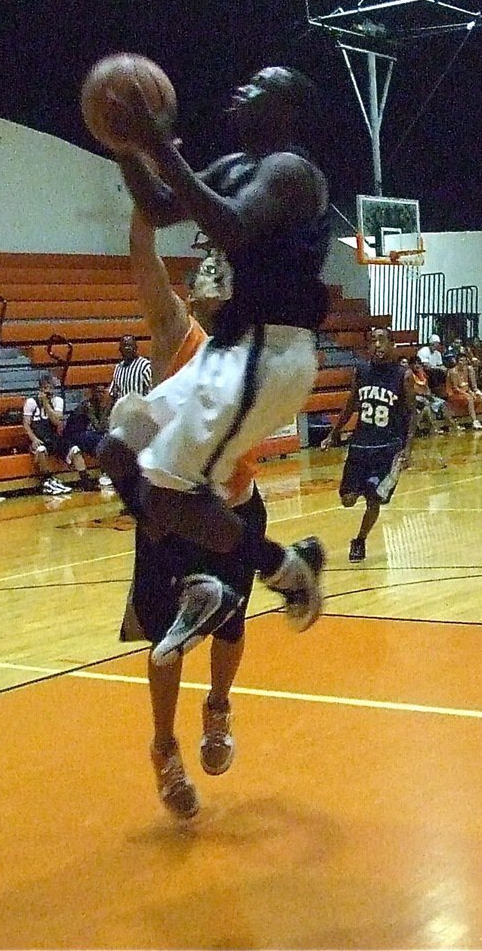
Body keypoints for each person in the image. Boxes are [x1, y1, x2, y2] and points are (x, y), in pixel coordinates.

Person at [96, 64, 329, 658]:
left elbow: (232, 223)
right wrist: (126, 148)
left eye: (261, 85)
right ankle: (252, 569)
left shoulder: (293, 172)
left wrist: (152, 141)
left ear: (288, 112)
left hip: (271, 353)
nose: (242, 88)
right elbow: (156, 208)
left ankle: (265, 575)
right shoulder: (234, 167)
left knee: (173, 494)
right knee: (118, 447)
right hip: (230, 350)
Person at [121, 207, 282, 819]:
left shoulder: (256, 346)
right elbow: (143, 263)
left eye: (225, 272)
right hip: (175, 517)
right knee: (167, 643)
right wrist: (144, 206)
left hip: (237, 509)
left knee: (232, 622)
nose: (216, 279)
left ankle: (218, 707)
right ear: (193, 289)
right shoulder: (175, 332)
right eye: (206, 272)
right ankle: (163, 746)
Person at [322, 327, 416, 562]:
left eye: (382, 340)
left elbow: (413, 414)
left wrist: (408, 448)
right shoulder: (362, 371)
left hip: (388, 447)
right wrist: (334, 433)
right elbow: (350, 405)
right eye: (372, 341)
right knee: (347, 500)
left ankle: (360, 540)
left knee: (374, 500)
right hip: (360, 445)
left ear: (392, 344)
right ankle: (368, 486)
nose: (377, 345)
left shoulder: (403, 375)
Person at [22, 373, 95, 495]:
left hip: (53, 436)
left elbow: (56, 421)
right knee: (40, 449)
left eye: (51, 388)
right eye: (46, 388)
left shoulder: (58, 401)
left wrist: (46, 404)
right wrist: (33, 439)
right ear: (40, 389)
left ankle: (85, 479)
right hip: (38, 437)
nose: (49, 391)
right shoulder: (31, 402)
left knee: (75, 450)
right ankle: (47, 480)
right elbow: (26, 424)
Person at [446, 353, 482, 429]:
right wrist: (468, 394)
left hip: (465, 392)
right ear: (457, 361)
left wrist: (471, 392)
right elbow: (455, 388)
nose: (463, 363)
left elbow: (468, 386)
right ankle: (475, 421)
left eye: (464, 361)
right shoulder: (453, 372)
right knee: (470, 398)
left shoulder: (466, 370)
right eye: (461, 360)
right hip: (454, 394)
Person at [410, 357, 459, 434]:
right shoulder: (409, 376)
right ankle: (434, 428)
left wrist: (428, 394)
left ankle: (453, 425)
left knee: (443, 403)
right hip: (416, 397)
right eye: (415, 363)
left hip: (427, 396)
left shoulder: (423, 374)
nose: (417, 365)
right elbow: (413, 391)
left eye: (418, 363)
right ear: (411, 365)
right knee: (427, 406)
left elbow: (427, 389)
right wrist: (423, 394)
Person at [108, 335, 152, 404]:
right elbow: (113, 394)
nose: (128, 348)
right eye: (125, 345)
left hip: (139, 410)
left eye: (131, 345)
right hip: (123, 411)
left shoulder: (145, 366)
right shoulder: (118, 368)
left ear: (136, 348)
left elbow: (152, 391)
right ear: (120, 349)